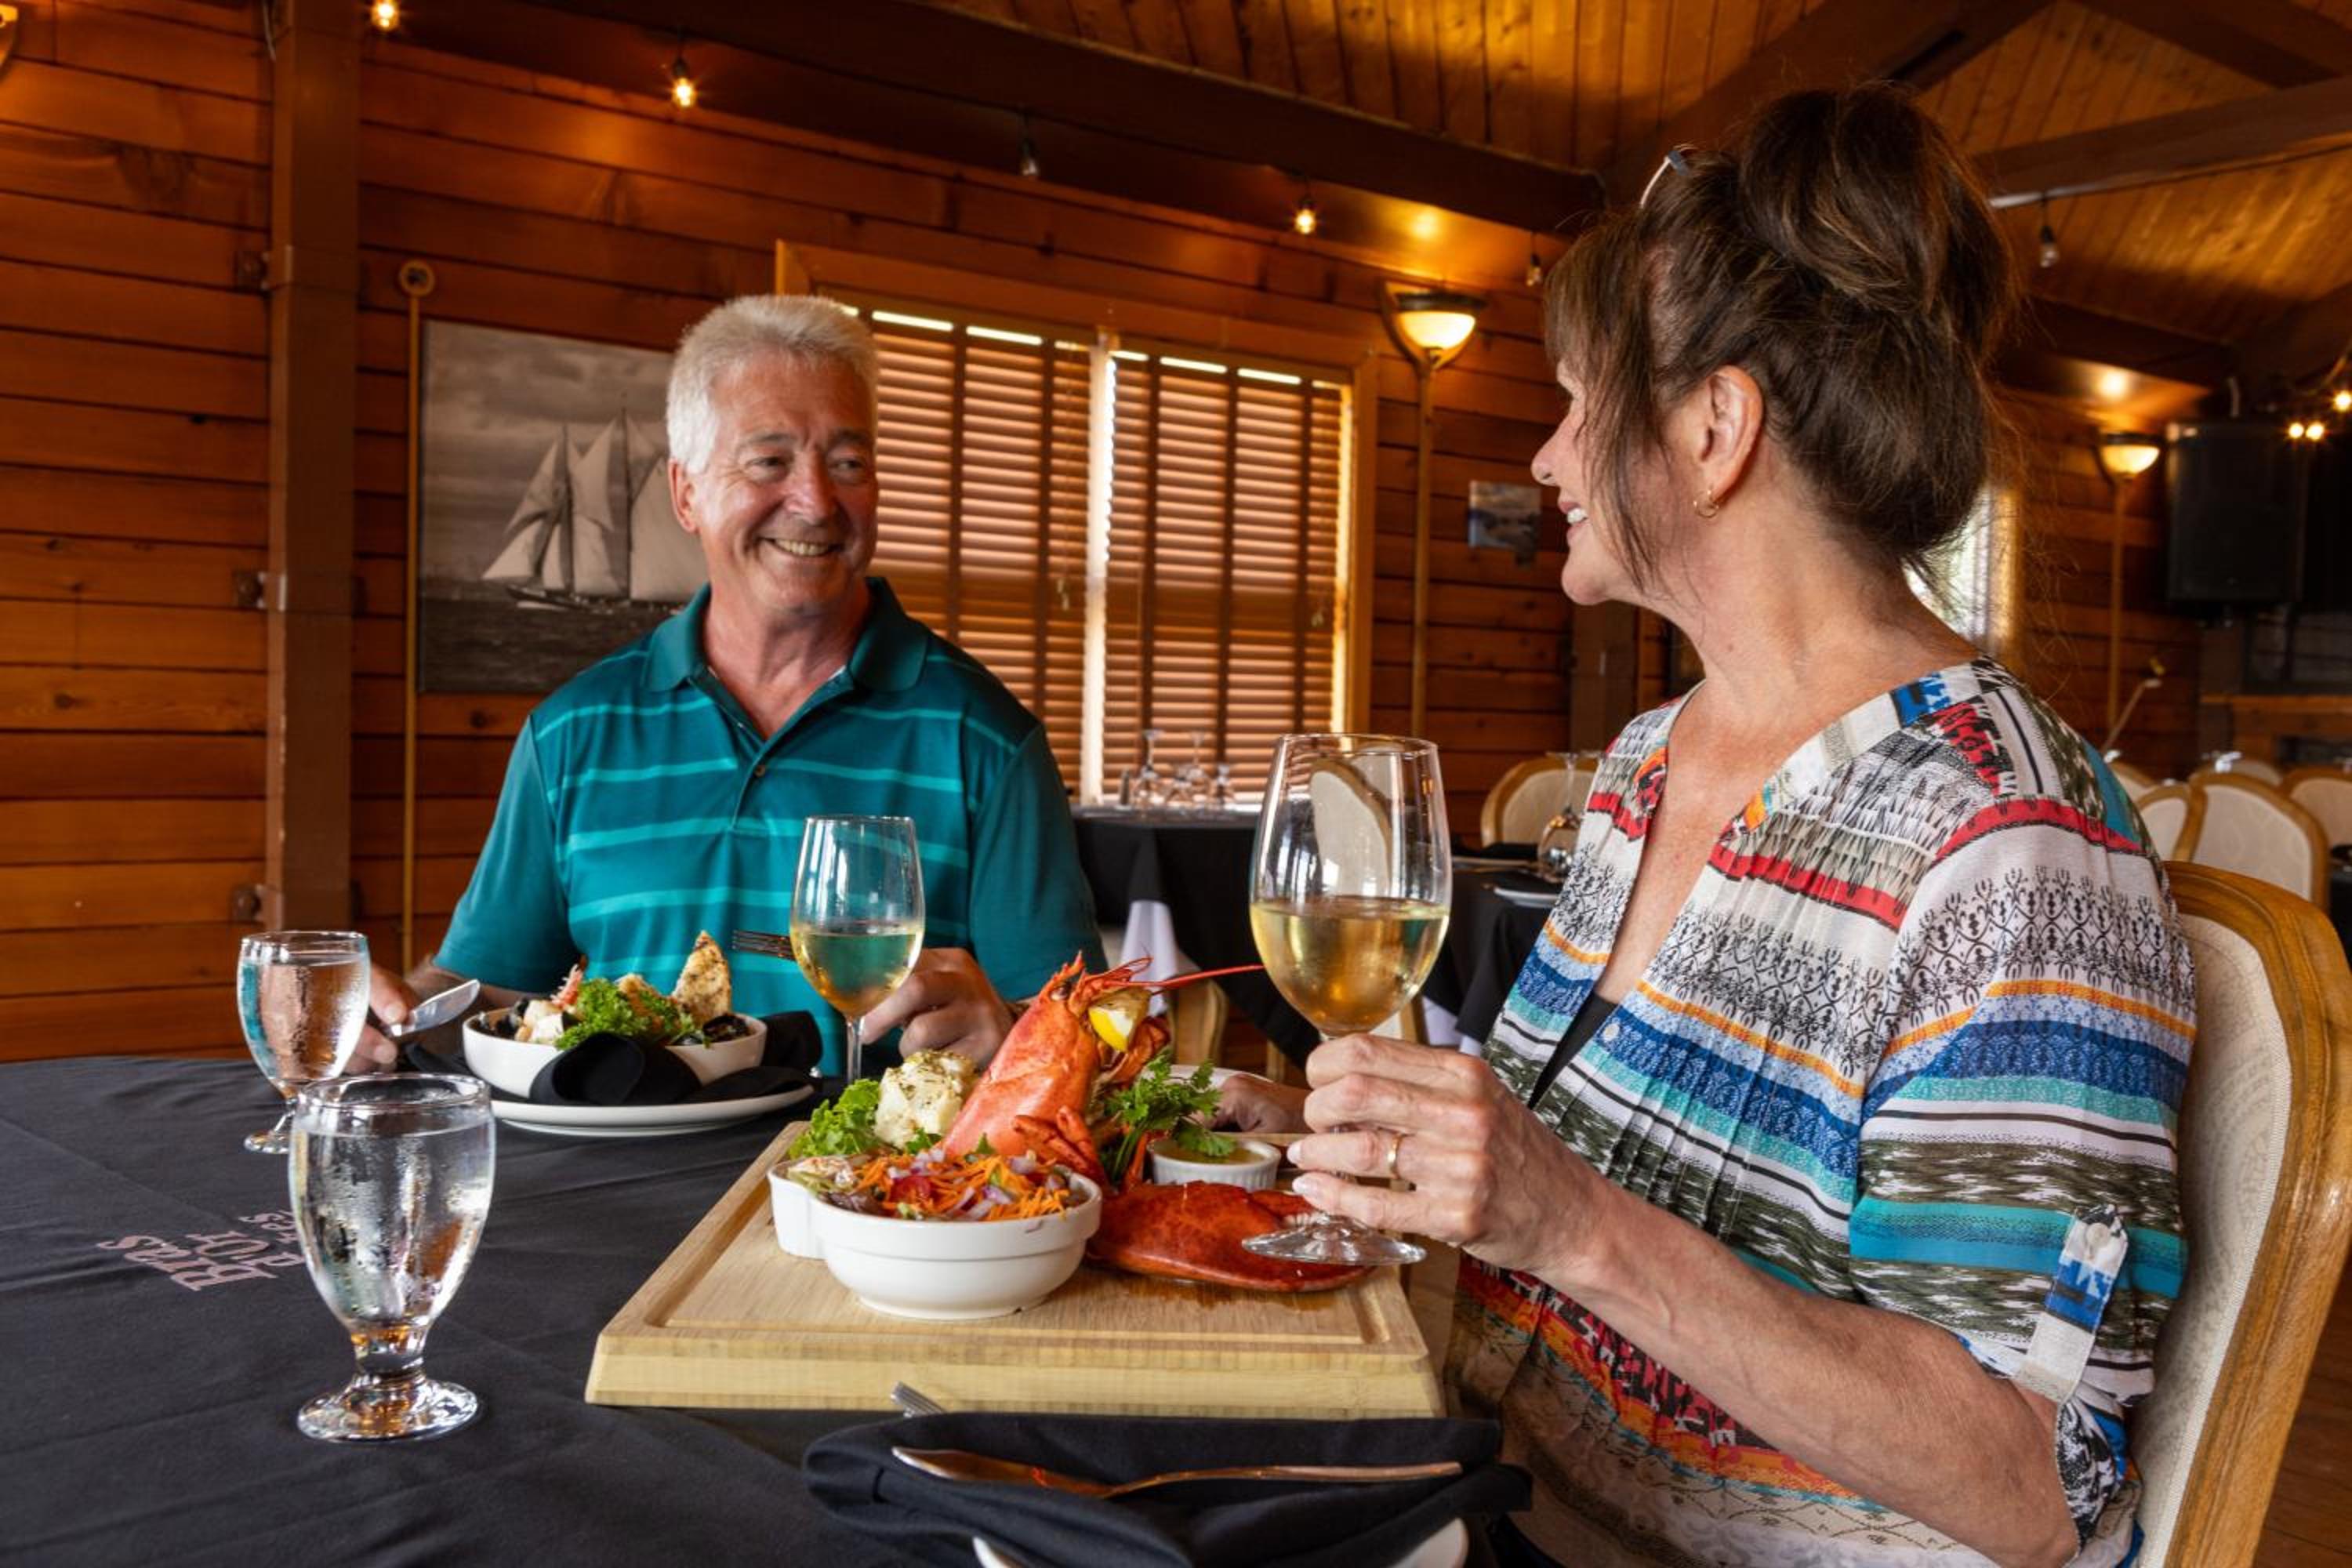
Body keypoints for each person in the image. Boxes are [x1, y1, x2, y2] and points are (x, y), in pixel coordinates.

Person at [1220, 87, 2191, 1566]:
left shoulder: (2011, 848)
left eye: (1578, 405)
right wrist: (1342, 1144)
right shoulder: (1644, 764)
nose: (1549, 460)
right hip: (1475, 1503)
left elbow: (2032, 1482)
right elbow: (1548, 1194)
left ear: (1716, 429)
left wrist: (1571, 1223)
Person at [368, 296, 1102, 1075]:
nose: (816, 502)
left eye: (848, 463)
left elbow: (1087, 1034)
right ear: (686, 493)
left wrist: (1013, 1031)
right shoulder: (572, 733)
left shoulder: (986, 739)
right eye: (770, 462)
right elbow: (489, 993)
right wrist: (387, 1019)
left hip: (878, 1157)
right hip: (624, 1157)